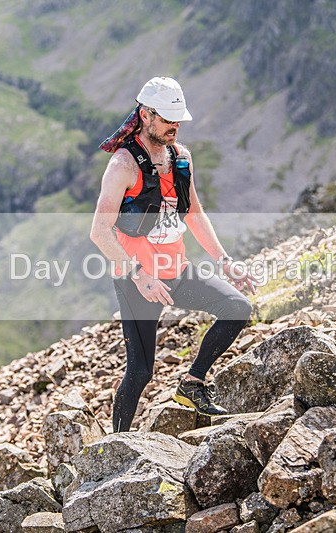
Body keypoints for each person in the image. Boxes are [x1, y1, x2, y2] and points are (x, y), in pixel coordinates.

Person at [90, 76, 256, 433]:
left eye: (178, 119)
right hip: (138, 280)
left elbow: (194, 213)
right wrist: (138, 274)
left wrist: (225, 261)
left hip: (176, 270)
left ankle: (192, 384)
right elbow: (99, 232)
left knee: (238, 308)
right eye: (168, 119)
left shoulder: (181, 158)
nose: (175, 126)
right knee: (139, 371)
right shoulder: (123, 165)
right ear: (147, 115)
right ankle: (116, 443)